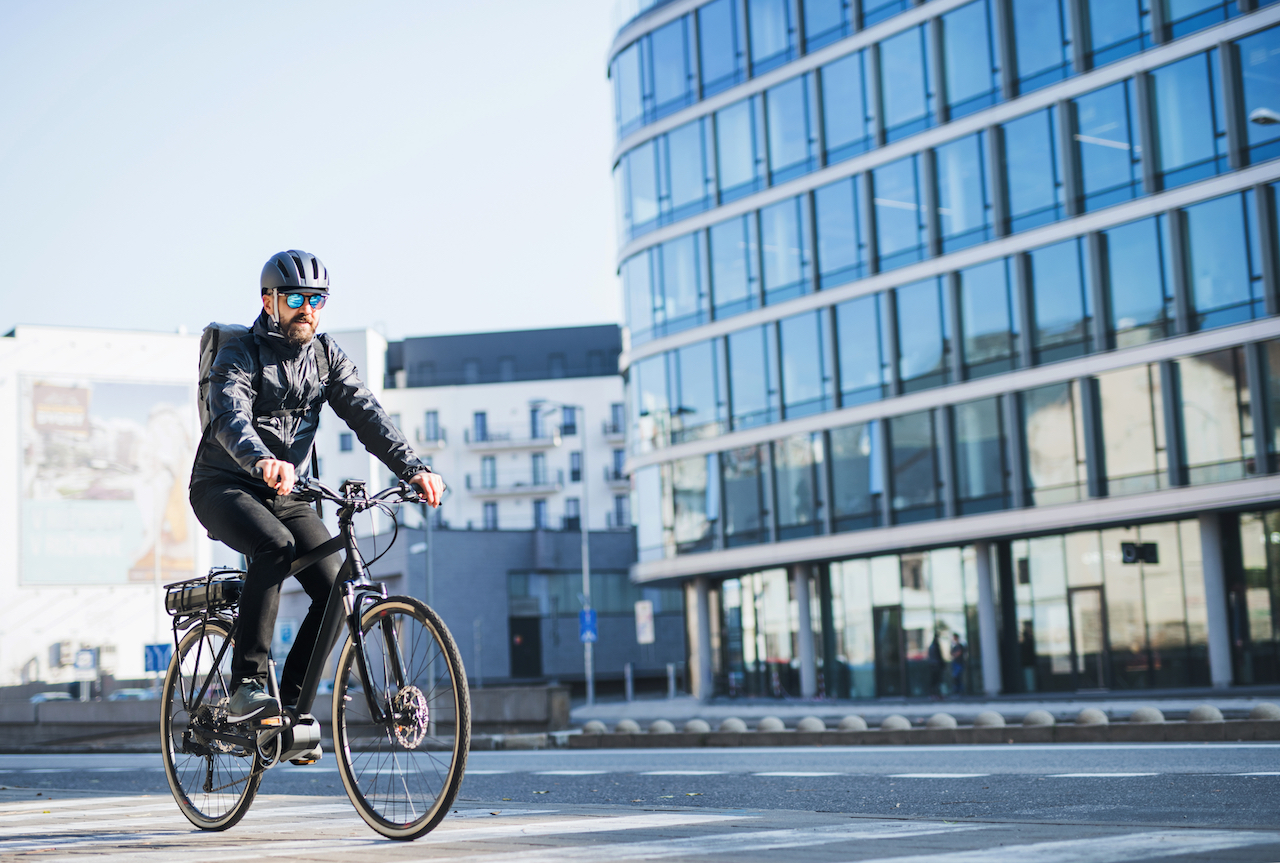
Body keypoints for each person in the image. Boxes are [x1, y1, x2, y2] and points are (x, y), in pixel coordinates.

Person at [189, 250, 444, 736]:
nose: (308, 308)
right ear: (270, 301)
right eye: (296, 298)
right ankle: (246, 683)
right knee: (276, 546)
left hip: (288, 492)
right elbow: (229, 414)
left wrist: (413, 468)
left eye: (317, 299)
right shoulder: (239, 353)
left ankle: (285, 710)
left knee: (334, 587)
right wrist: (260, 459)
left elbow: (367, 414)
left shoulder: (325, 356)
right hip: (224, 483)